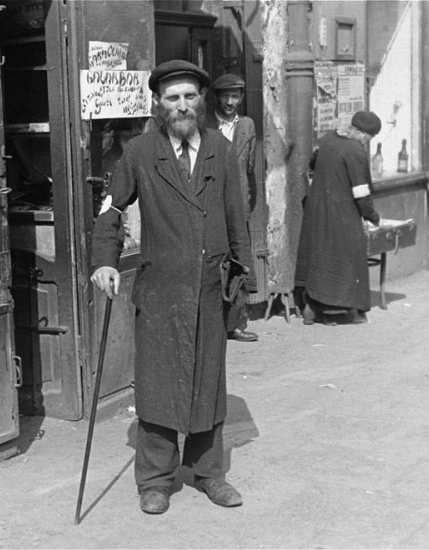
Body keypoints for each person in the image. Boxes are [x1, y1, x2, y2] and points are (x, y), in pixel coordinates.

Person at [90, 60, 254, 514]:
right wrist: (104, 262)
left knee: (208, 381)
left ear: (201, 101)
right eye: (172, 98)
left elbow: (236, 216)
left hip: (209, 287)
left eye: (189, 96)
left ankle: (208, 473)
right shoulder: (140, 152)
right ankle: (156, 480)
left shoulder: (220, 148)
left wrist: (245, 284)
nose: (182, 105)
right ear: (158, 104)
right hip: (160, 290)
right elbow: (111, 209)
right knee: (158, 385)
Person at [295, 111, 382, 325]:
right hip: (341, 214)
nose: (368, 142)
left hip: (317, 211)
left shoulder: (329, 138)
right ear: (364, 134)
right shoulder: (356, 150)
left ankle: (312, 307)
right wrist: (372, 216)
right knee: (347, 256)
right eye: (370, 138)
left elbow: (313, 163)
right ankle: (338, 310)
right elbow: (361, 192)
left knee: (319, 255)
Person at [206, 73, 259, 342]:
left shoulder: (247, 125)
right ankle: (213, 323)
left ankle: (236, 323)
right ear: (215, 97)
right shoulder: (205, 124)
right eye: (225, 96)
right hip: (211, 204)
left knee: (239, 263)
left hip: (238, 205)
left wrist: (247, 204)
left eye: (235, 97)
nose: (230, 102)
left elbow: (251, 170)